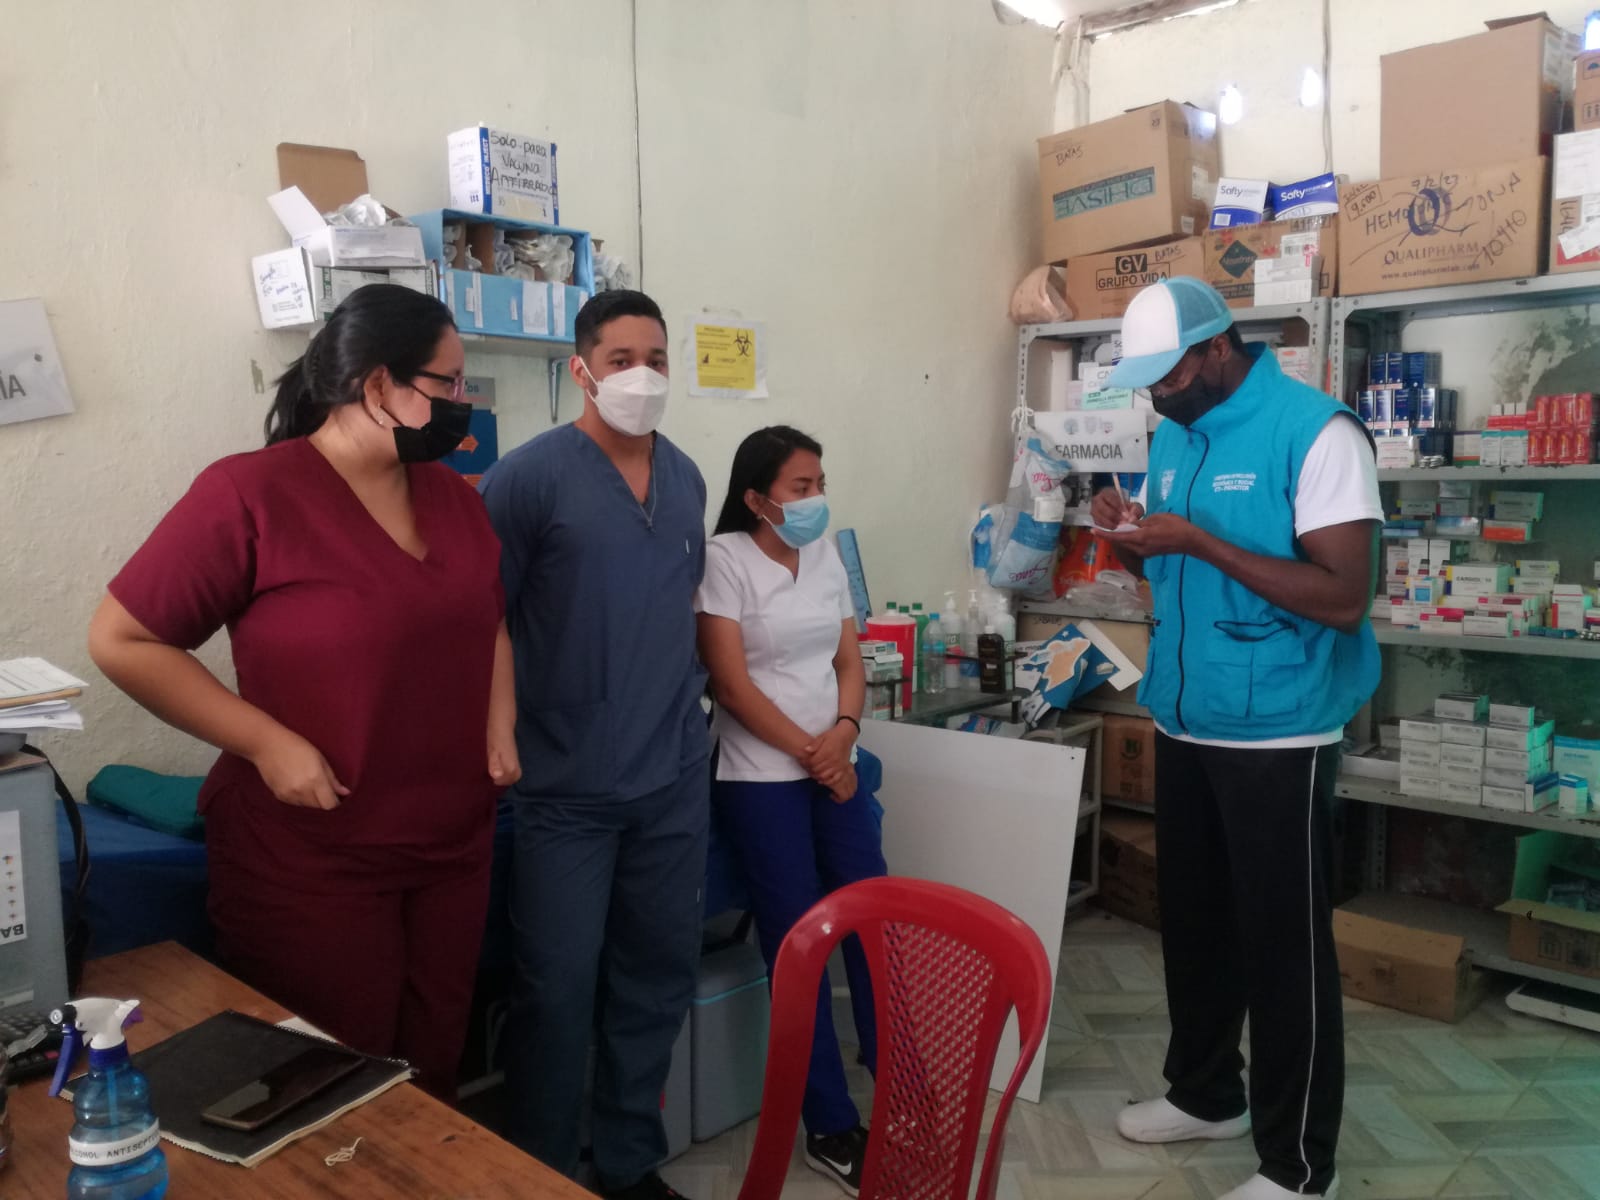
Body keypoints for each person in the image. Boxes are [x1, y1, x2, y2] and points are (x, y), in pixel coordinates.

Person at [88, 285, 517, 1098]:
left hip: (451, 845)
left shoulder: (456, 501)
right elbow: (123, 640)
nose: (463, 402)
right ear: (379, 384)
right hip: (312, 856)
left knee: (430, 1078)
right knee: (327, 1089)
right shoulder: (251, 494)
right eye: (449, 383)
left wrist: (500, 723)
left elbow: (487, 617)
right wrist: (266, 742)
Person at [1091, 277, 1380, 1200]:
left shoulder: (1317, 433)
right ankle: (1206, 1092)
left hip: (1280, 733)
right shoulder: (1177, 431)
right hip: (1186, 712)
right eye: (1145, 382)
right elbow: (1170, 566)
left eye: (1167, 376)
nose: (1156, 396)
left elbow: (1343, 597)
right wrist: (1131, 539)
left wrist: (1202, 543)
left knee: (1284, 950)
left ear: (1217, 348)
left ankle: (1298, 1166)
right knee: (1197, 924)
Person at [479, 290, 709, 1200]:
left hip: (672, 777)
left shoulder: (686, 479)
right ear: (581, 370)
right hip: (565, 784)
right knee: (557, 990)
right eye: (620, 360)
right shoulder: (529, 479)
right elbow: (483, 616)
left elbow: (679, 608)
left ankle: (626, 1162)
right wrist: (499, 731)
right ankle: (537, 1169)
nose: (641, 376)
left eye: (656, 358)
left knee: (657, 978)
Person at [695, 426, 885, 1197]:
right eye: (801, 487)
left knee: (872, 919)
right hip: (760, 778)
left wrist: (843, 735)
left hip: (831, 763)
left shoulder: (826, 554)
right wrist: (816, 754)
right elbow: (730, 685)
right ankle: (829, 1124)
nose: (816, 499)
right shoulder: (724, 560)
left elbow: (849, 661)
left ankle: (898, 1080)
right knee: (799, 944)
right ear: (756, 497)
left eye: (819, 485)